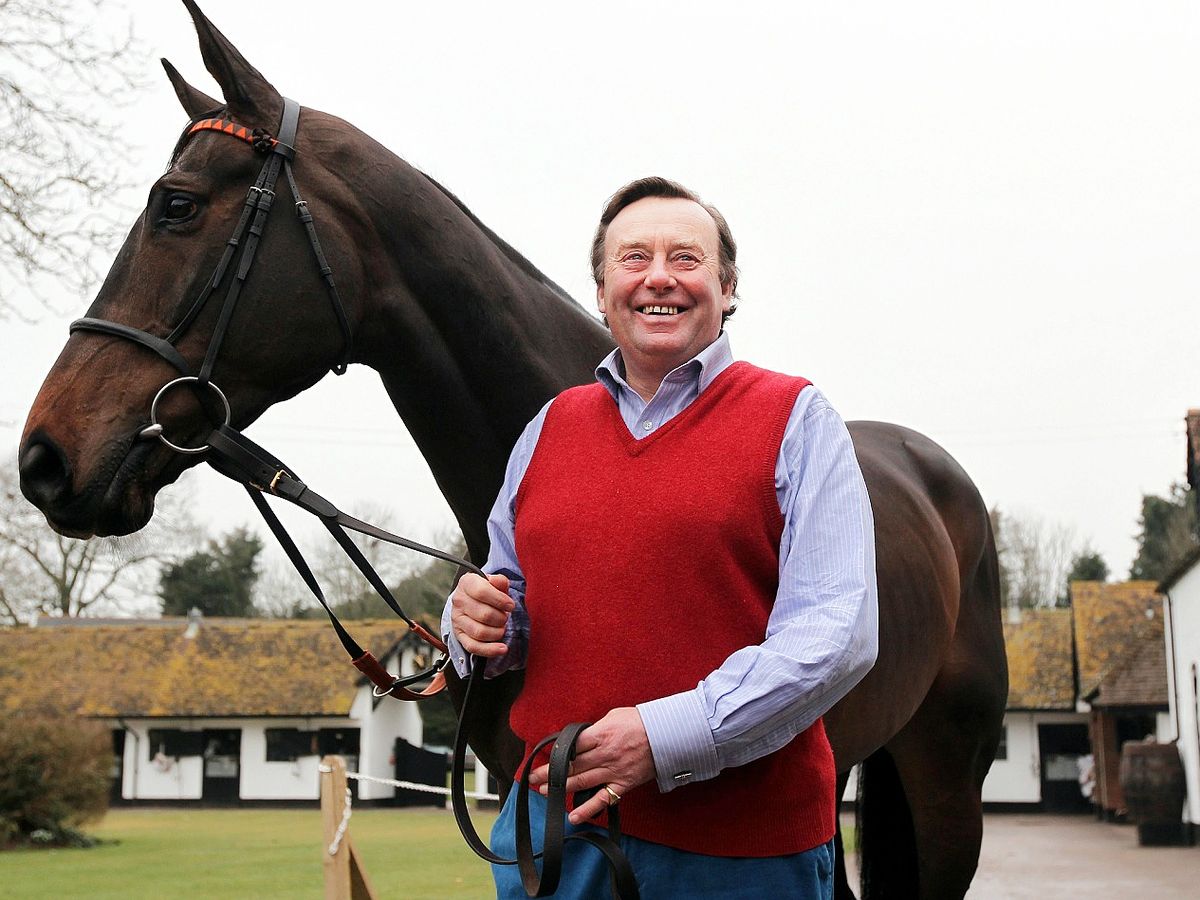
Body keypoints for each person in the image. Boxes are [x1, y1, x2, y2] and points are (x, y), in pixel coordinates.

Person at [442, 176, 878, 899]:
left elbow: (838, 632)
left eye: (686, 258)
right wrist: (477, 624)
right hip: (555, 842)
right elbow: (509, 600)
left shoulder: (798, 419)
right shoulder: (546, 429)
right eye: (633, 258)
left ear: (727, 287)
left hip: (740, 853)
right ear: (603, 288)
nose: (658, 278)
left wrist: (666, 735)